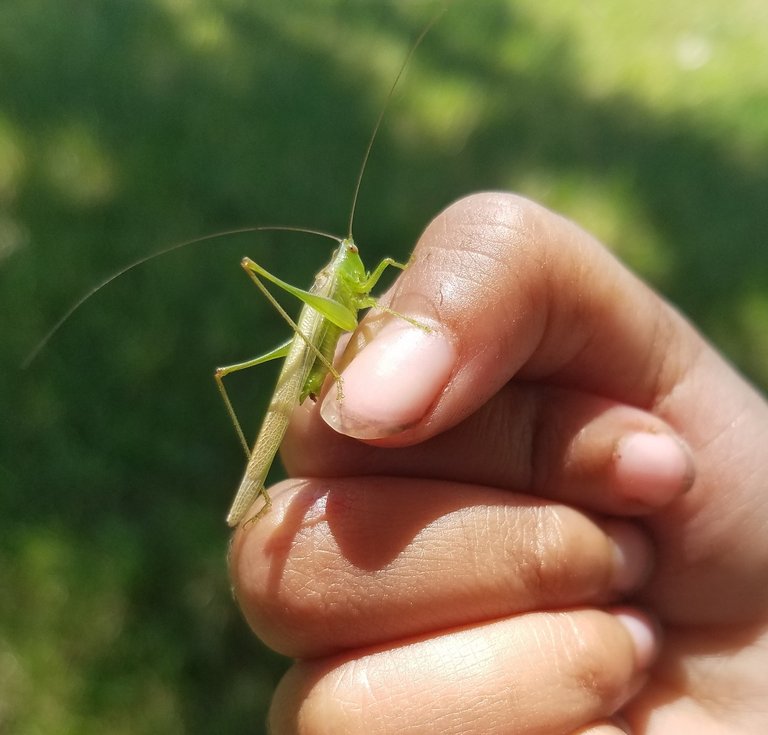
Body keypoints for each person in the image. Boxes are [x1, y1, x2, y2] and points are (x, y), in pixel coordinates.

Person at [229, 193, 768, 734]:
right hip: (305, 364)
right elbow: (356, 311)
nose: (357, 259)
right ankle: (252, 485)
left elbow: (375, 292)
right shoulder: (330, 287)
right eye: (348, 254)